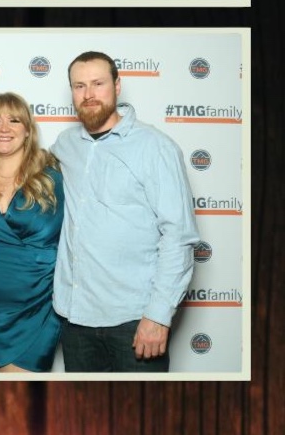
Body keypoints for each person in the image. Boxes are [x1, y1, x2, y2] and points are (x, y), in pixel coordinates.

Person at [52, 52, 198, 373]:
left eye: (98, 83)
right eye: (79, 86)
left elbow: (179, 236)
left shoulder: (155, 147)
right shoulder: (65, 144)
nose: (88, 94)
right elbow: (20, 162)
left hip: (134, 322)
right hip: (75, 320)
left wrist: (158, 316)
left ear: (117, 86)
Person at [0, 95, 63, 374]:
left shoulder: (53, 177)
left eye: (14, 120)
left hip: (37, 304)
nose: (4, 127)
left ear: (28, 130)